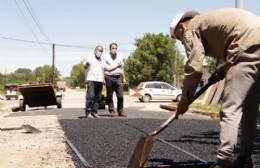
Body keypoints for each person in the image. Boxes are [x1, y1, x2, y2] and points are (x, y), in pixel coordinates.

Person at [169, 8, 260, 168]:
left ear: (182, 28)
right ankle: (245, 158)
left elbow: (195, 67)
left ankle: (223, 162)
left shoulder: (191, 28)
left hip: (245, 47)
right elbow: (231, 39)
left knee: (230, 109)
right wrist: (223, 69)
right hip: (254, 43)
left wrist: (184, 100)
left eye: (179, 38)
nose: (182, 42)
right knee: (249, 110)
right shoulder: (207, 22)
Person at [83, 45, 121, 119]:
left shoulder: (102, 61)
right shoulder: (89, 58)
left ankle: (94, 112)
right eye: (99, 50)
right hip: (91, 79)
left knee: (98, 97)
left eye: (101, 51)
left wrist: (116, 66)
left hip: (99, 81)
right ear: (95, 50)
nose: (99, 52)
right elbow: (85, 66)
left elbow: (107, 69)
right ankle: (88, 112)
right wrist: (87, 64)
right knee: (90, 96)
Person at [103, 43, 127, 117]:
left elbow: (122, 68)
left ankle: (120, 111)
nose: (114, 49)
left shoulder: (120, 57)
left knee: (120, 95)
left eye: (115, 48)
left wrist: (124, 78)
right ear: (110, 49)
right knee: (109, 95)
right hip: (108, 77)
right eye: (113, 48)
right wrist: (103, 78)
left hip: (118, 77)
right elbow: (103, 68)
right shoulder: (105, 57)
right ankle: (111, 111)